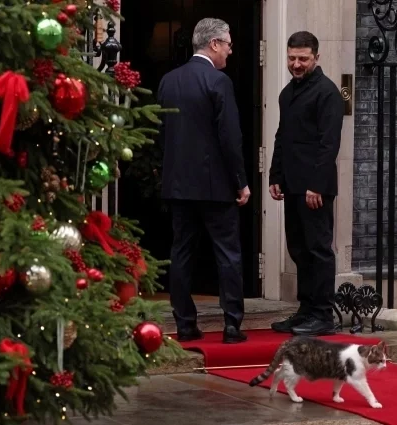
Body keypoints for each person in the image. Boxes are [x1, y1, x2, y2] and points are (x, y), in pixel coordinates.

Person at [157, 18, 250, 344]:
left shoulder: (168, 81)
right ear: (214, 44)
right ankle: (232, 325)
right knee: (228, 254)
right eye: (228, 45)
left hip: (179, 184)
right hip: (215, 186)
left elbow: (162, 134)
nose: (230, 51)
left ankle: (184, 324)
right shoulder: (219, 81)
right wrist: (241, 181)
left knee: (181, 253)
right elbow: (230, 137)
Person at [268, 31, 344, 336]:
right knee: (299, 249)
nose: (296, 64)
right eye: (292, 58)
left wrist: (317, 185)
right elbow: (282, 137)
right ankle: (306, 310)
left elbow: (329, 144)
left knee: (318, 249)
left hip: (315, 189)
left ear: (316, 57)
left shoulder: (327, 93)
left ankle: (323, 315)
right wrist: (275, 175)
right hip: (293, 185)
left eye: (303, 59)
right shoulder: (287, 93)